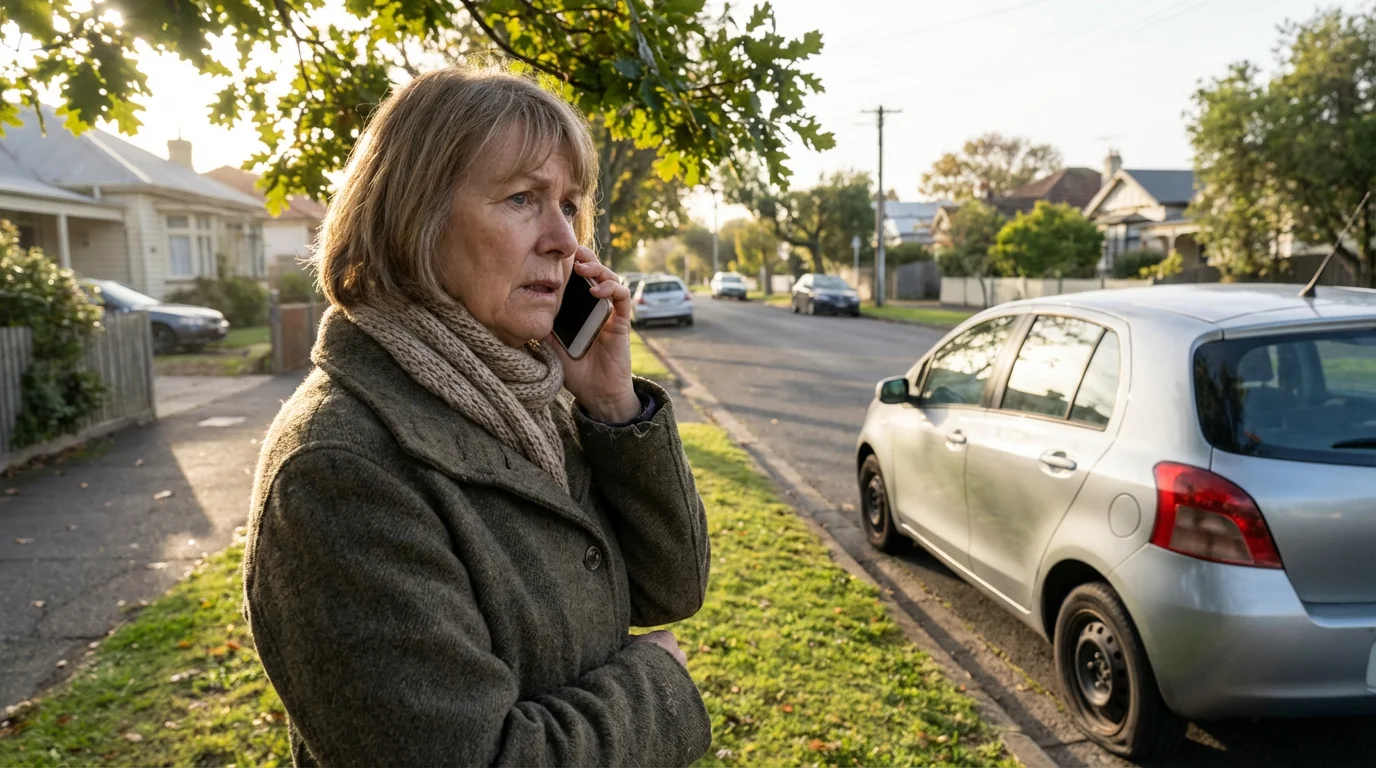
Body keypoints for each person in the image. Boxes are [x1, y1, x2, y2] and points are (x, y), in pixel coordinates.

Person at [241, 67, 712, 767]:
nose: (564, 240)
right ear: (412, 220)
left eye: (570, 205)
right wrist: (659, 687)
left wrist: (613, 405)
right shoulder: (339, 472)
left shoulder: (525, 398)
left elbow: (672, 586)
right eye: (523, 197)